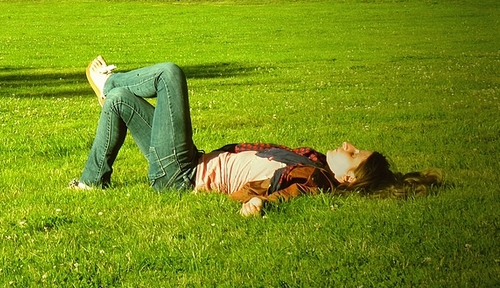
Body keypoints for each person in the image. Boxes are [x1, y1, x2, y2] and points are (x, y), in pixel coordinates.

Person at [70, 57, 442, 216]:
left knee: (169, 74)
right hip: (192, 162)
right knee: (120, 103)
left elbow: (283, 193)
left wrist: (260, 204)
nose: (348, 145)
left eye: (354, 153)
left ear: (348, 177)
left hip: (183, 176)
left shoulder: (314, 180)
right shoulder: (311, 160)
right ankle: (91, 182)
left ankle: (109, 82)